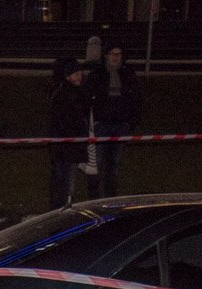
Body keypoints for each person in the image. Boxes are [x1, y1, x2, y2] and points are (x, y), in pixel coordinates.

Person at [84, 43, 141, 198]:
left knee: (114, 164)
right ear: (106, 56)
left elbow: (135, 99)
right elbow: (86, 99)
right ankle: (93, 198)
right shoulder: (96, 75)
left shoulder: (128, 74)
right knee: (97, 164)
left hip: (121, 126)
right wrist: (93, 122)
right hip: (101, 126)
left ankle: (111, 197)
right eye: (112, 54)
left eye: (118, 54)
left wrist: (130, 122)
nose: (115, 57)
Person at [48, 58, 89, 209]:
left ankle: (63, 209)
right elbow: (60, 122)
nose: (79, 76)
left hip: (73, 147)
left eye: (80, 73)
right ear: (67, 76)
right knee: (61, 183)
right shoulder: (61, 95)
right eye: (75, 74)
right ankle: (58, 213)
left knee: (68, 184)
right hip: (63, 147)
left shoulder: (81, 93)